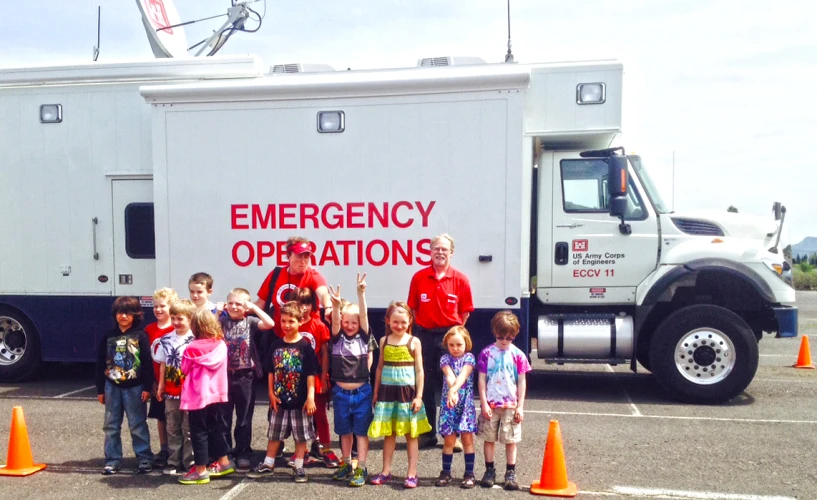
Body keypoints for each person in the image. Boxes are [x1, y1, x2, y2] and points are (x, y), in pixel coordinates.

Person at [407, 233, 474, 449]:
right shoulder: (419, 277)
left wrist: (453, 334)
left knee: (452, 383)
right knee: (424, 383)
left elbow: (464, 313)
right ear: (430, 251)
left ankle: (451, 435)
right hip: (425, 334)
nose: (440, 252)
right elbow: (413, 310)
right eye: (436, 248)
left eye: (445, 249)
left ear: (451, 253)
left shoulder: (461, 279)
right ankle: (427, 433)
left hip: (449, 336)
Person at [247, 301, 318, 484]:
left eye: (291, 321)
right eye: (283, 321)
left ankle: (299, 465)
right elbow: (271, 371)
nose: (286, 325)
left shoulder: (305, 347)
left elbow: (311, 374)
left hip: (300, 401)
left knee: (300, 435)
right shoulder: (276, 345)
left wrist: (310, 398)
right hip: (279, 400)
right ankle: (268, 463)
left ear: (300, 322)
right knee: (274, 433)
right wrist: (270, 393)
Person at [368, 302, 432, 489]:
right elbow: (379, 367)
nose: (399, 326)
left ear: (410, 321)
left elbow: (419, 370)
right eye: (395, 322)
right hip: (388, 394)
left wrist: (419, 396)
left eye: (403, 322)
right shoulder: (383, 341)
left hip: (407, 394)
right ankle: (385, 471)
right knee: (390, 434)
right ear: (388, 321)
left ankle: (412, 473)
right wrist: (376, 391)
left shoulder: (414, 342)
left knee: (411, 435)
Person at [328, 274, 377, 487]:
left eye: (353, 322)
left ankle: (362, 467)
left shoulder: (364, 337)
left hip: (362, 392)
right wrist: (336, 306)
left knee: (361, 432)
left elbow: (364, 315)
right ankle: (347, 464)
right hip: (340, 392)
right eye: (346, 322)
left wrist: (361, 294)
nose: (349, 325)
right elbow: (337, 320)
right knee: (344, 431)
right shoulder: (337, 337)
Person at [95, 296, 154, 475]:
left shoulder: (141, 336)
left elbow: (147, 364)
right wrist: (100, 389)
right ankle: (112, 459)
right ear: (115, 315)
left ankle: (144, 458)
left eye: (128, 313)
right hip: (112, 387)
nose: (123, 316)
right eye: (120, 313)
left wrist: (146, 387)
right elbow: (99, 363)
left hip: (135, 387)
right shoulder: (108, 336)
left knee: (137, 424)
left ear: (135, 315)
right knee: (111, 425)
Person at [218, 288, 275, 470]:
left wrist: (254, 308)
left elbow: (270, 324)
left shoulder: (250, 321)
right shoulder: (221, 321)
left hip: (245, 376)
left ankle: (243, 451)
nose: (234, 307)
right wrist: (218, 312)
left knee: (244, 417)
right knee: (224, 417)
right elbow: (204, 328)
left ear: (246, 307)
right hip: (224, 375)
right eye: (231, 303)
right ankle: (225, 453)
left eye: (239, 304)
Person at [477, 311, 531, 491]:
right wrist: (484, 402)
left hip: (510, 405)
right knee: (489, 438)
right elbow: (482, 380)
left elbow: (522, 381)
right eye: (501, 336)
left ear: (515, 336)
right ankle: (489, 470)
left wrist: (520, 407)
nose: (504, 341)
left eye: (509, 338)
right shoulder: (486, 353)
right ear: (494, 332)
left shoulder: (518, 355)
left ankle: (510, 472)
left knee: (510, 439)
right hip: (491, 405)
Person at [178, 310, 234, 485]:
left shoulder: (191, 348)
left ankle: (201, 470)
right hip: (218, 394)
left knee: (199, 432)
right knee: (217, 428)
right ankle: (224, 462)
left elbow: (184, 369)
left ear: (194, 326)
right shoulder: (221, 345)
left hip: (198, 396)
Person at [292, 286, 339, 468]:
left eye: (306, 303)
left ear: (313, 305)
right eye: (299, 303)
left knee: (320, 415)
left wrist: (324, 376)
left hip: (317, 377)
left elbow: (325, 353)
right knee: (299, 417)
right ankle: (301, 452)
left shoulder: (318, 325)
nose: (303, 307)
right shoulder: (290, 324)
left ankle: (326, 449)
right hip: (296, 380)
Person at [254, 237, 332, 341]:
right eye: (299, 256)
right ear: (289, 256)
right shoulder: (276, 274)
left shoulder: (313, 276)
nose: (303, 261)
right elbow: (260, 304)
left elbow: (323, 294)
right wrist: (235, 307)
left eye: (306, 257)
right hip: (279, 338)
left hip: (307, 336)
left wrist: (328, 307)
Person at [154, 299, 196, 475]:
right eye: (173, 318)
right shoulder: (165, 339)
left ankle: (189, 461)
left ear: (190, 318)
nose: (176, 322)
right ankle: (173, 461)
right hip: (171, 391)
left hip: (190, 392)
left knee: (189, 428)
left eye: (180, 318)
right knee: (172, 427)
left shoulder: (196, 339)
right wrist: (161, 386)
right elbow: (163, 364)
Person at [434, 326, 478, 488]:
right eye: (451, 345)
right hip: (449, 406)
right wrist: (452, 391)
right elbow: (450, 375)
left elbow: (463, 376)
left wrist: (453, 390)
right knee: (449, 441)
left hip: (465, 406)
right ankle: (445, 472)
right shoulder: (445, 359)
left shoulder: (470, 358)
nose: (455, 348)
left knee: (467, 439)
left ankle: (469, 474)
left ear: (466, 343)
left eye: (459, 344)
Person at [145, 287, 178, 468]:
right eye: (155, 306)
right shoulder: (149, 329)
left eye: (162, 306)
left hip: (174, 382)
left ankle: (176, 449)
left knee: (175, 416)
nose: (158, 310)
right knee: (161, 417)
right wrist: (152, 382)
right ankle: (164, 448)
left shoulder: (176, 328)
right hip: (156, 381)